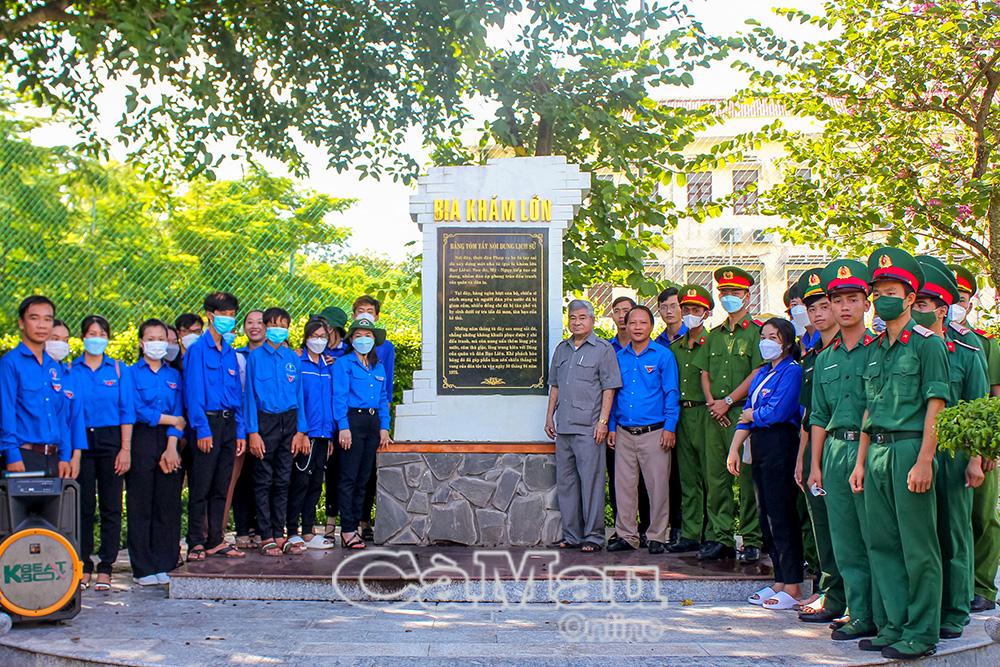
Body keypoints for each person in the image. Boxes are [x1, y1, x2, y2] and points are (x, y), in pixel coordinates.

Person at [850, 247, 949, 660]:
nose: (882, 299)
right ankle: (893, 624)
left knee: (918, 546)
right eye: (878, 292)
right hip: (876, 451)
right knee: (882, 543)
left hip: (910, 448)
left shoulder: (928, 345)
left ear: (910, 298)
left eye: (891, 292)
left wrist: (925, 459)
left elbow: (937, 405)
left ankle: (922, 632)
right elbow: (868, 409)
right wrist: (860, 461)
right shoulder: (874, 348)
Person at [913, 256, 989, 639]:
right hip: (915, 451)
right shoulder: (907, 348)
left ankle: (955, 610)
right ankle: (926, 606)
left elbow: (977, 410)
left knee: (953, 532)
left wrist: (975, 460)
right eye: (914, 303)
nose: (916, 310)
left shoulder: (967, 350)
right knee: (921, 534)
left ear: (942, 309)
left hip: (954, 455)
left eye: (923, 304)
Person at [807, 259, 881, 642]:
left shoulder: (882, 349)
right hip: (836, 451)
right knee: (845, 538)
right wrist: (815, 465)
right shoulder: (825, 358)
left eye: (853, 299)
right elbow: (819, 414)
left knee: (876, 536)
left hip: (871, 450)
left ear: (867, 303)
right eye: (838, 300)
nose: (845, 307)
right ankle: (857, 609)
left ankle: (879, 612)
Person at [727, 317, 804, 610]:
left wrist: (754, 415)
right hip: (759, 446)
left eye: (773, 337)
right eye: (763, 336)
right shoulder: (762, 373)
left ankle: (793, 583)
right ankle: (779, 579)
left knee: (782, 514)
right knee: (766, 515)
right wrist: (734, 448)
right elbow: (746, 412)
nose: (766, 342)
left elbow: (777, 412)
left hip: (781, 444)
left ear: (786, 342)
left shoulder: (792, 371)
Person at [694, 266, 763, 562]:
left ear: (747, 296)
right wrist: (713, 403)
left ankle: (751, 538)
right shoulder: (714, 335)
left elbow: (758, 372)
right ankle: (720, 536)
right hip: (715, 416)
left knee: (746, 479)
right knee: (716, 478)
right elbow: (704, 372)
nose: (728, 297)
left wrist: (728, 401)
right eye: (724, 292)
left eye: (734, 292)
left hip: (742, 415)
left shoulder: (757, 332)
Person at [544, 300, 622, 552]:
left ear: (592, 320)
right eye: (572, 318)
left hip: (589, 429)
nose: (576, 322)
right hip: (564, 427)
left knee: (591, 484)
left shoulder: (603, 349)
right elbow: (555, 385)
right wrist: (549, 417)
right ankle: (572, 535)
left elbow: (609, 388)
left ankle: (594, 536)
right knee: (566, 484)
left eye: (582, 318)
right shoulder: (562, 349)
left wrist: (603, 422)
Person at [793, 269, 846, 625]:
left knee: (847, 528)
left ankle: (849, 596)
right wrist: (802, 459)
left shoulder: (855, 349)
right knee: (822, 525)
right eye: (812, 308)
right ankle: (830, 590)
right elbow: (809, 415)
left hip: (844, 446)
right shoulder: (812, 356)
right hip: (816, 449)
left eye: (824, 305)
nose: (818, 313)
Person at [607, 305, 680, 554]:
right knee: (624, 488)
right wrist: (611, 426)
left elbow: (671, 393)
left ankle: (657, 535)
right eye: (633, 323)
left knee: (657, 487)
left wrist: (670, 427)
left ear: (651, 326)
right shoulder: (619, 357)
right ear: (625, 326)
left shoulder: (663, 356)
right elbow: (613, 394)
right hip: (624, 432)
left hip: (655, 432)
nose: (637, 327)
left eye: (643, 323)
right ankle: (627, 535)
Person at [949, 263, 1000, 612]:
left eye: (962, 299)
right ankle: (957, 586)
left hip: (978, 444)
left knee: (982, 517)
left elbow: (994, 399)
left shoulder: (984, 344)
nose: (956, 305)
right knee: (952, 520)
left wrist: (989, 448)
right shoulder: (931, 341)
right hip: (944, 445)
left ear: (970, 303)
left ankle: (982, 586)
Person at [70, 314, 133, 592]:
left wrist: (125, 449)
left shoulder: (118, 369)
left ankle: (106, 567)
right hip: (81, 441)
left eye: (102, 334)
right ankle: (82, 565)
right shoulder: (71, 370)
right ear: (83, 337)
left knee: (111, 506)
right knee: (82, 507)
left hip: (111, 440)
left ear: (108, 338)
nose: (97, 338)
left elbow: (126, 411)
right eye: (92, 333)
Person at [184, 291, 246, 561]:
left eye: (232, 315)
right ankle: (196, 541)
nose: (228, 320)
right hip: (207, 423)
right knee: (201, 485)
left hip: (229, 424)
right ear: (210, 315)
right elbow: (193, 393)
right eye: (223, 314)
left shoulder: (230, 353)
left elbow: (236, 395)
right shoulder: (197, 350)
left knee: (222, 484)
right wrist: (202, 429)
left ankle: (215, 540)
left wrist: (240, 430)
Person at [243, 307, 309, 557]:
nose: (278, 329)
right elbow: (249, 397)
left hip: (289, 423)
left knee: (283, 479)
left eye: (283, 325)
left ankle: (280, 534)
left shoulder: (293, 358)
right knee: (263, 479)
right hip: (264, 422)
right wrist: (253, 432)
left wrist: (301, 430)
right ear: (266, 327)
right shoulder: (255, 358)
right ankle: (266, 535)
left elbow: (299, 396)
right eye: (273, 325)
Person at [126, 319, 186, 586]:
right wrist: (170, 420)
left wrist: (172, 446)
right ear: (141, 343)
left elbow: (179, 413)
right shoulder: (131, 373)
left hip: (169, 441)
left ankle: (166, 562)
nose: (157, 343)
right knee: (141, 504)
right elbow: (136, 409)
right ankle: (143, 567)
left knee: (167, 504)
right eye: (150, 339)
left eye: (161, 338)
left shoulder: (173, 375)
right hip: (141, 438)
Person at [1, 296, 76, 479]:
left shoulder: (54, 366)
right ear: (21, 323)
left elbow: (60, 414)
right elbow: (5, 411)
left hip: (54, 459)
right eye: (34, 318)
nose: (42, 325)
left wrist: (65, 456)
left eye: (47, 319)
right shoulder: (10, 363)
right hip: (23, 457)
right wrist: (12, 454)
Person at [333, 317, 391, 550]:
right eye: (358, 336)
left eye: (368, 336)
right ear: (351, 340)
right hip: (352, 421)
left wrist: (384, 427)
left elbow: (383, 398)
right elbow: (339, 396)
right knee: (349, 477)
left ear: (374, 340)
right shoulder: (343, 364)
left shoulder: (377, 366)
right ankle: (347, 530)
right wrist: (343, 426)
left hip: (372, 423)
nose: (363, 340)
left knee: (364, 478)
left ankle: (355, 526)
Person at [667, 285, 713, 554]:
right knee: (688, 477)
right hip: (682, 415)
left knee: (711, 476)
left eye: (696, 310)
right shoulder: (676, 347)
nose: (689, 314)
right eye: (686, 309)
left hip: (706, 413)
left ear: (706, 313)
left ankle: (714, 533)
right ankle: (691, 532)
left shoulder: (713, 343)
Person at [286, 318, 336, 550]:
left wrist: (331, 435)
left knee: (316, 484)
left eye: (323, 336)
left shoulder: (328, 365)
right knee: (300, 482)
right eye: (314, 336)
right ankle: (291, 530)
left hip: (325, 434)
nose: (319, 340)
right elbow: (297, 400)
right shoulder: (298, 362)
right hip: (306, 434)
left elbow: (331, 400)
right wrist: (302, 431)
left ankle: (308, 531)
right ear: (306, 338)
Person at [605, 295, 650, 545]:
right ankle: (623, 530)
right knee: (619, 480)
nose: (622, 316)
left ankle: (647, 529)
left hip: (648, 427)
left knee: (646, 481)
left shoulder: (655, 350)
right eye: (617, 311)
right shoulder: (608, 350)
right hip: (618, 426)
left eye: (627, 311)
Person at [353, 295, 394, 542]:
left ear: (377, 316)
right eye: (361, 310)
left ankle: (364, 520)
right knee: (350, 472)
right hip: (351, 419)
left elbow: (386, 386)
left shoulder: (386, 348)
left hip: (374, 417)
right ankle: (349, 523)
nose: (365, 314)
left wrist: (383, 423)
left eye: (370, 310)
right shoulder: (349, 347)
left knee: (369, 472)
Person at [228, 308, 265, 550]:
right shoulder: (236, 356)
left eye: (260, 322)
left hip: (267, 423)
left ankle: (261, 528)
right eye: (249, 322)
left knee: (263, 476)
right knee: (241, 478)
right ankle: (242, 528)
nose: (254, 326)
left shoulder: (276, 356)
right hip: (241, 424)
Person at [653, 284, 686, 544]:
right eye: (663, 307)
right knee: (670, 475)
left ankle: (697, 528)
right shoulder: (657, 344)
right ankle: (676, 526)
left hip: (694, 412)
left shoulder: (697, 336)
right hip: (665, 417)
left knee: (693, 475)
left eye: (674, 306)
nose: (669, 311)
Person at [317, 305, 350, 537]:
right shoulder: (312, 351)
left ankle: (348, 525)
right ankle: (324, 525)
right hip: (319, 424)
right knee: (321, 475)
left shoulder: (348, 354)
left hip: (344, 424)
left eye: (326, 327)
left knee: (343, 474)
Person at [47, 319, 85, 479]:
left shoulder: (71, 376)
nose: (61, 344)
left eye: (65, 340)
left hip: (64, 453)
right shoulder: (34, 372)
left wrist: (75, 456)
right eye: (55, 339)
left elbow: (76, 418)